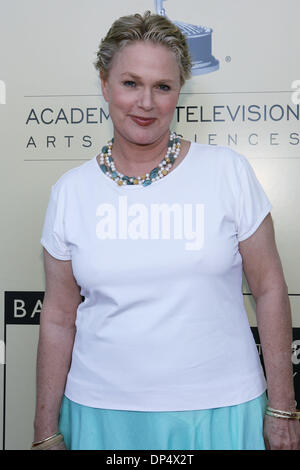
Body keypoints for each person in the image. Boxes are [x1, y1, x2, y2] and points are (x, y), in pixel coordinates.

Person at [32, 11, 300, 451]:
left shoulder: (227, 173)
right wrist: (46, 431)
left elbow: (270, 290)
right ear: (104, 84)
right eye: (130, 83)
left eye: (163, 86)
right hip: (101, 414)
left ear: (179, 91)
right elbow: (59, 318)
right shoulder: (70, 193)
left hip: (223, 409)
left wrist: (283, 410)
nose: (146, 103)